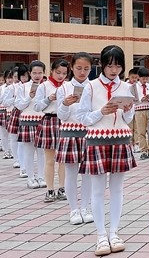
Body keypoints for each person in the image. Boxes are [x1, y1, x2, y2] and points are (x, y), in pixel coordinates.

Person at [77, 45, 137, 256]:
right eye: (110, 65)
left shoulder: (126, 88)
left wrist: (128, 111)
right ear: (102, 65)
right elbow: (82, 118)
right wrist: (100, 112)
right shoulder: (91, 87)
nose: (114, 70)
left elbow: (128, 119)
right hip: (97, 140)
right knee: (97, 189)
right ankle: (101, 235)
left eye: (118, 65)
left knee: (118, 189)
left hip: (120, 139)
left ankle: (114, 232)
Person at [57, 52, 94, 225]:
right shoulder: (63, 88)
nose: (82, 72)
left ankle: (85, 207)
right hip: (70, 133)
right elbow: (61, 116)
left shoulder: (93, 87)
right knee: (71, 173)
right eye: (78, 68)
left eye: (86, 68)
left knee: (87, 173)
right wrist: (65, 104)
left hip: (88, 133)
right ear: (72, 67)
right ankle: (73, 209)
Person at [34, 58, 69, 202]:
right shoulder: (44, 86)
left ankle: (62, 188)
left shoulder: (67, 86)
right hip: (49, 120)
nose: (61, 76)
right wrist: (48, 99)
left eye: (64, 73)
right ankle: (49, 189)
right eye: (58, 72)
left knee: (63, 159)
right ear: (51, 71)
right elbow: (36, 107)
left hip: (64, 122)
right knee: (50, 159)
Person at [16, 60, 47, 189]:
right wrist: (29, 97)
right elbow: (19, 105)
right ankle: (30, 177)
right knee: (29, 151)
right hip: (27, 121)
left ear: (43, 73)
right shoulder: (22, 87)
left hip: (42, 121)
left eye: (40, 73)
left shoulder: (46, 86)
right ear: (30, 73)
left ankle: (41, 177)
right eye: (34, 73)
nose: (37, 75)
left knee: (42, 152)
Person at [6, 65, 29, 175]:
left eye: (26, 75)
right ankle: (19, 162)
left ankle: (24, 164)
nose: (25, 78)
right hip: (18, 112)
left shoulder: (33, 86)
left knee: (25, 142)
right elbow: (5, 101)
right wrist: (15, 99)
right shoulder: (13, 87)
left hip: (30, 113)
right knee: (16, 139)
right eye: (22, 76)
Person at [134, 67, 149, 160]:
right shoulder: (134, 87)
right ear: (138, 77)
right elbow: (133, 99)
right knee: (141, 131)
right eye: (143, 78)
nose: (145, 80)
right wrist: (140, 99)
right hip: (139, 110)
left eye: (146, 78)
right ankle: (143, 150)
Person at [0, 70, 12, 159]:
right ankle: (6, 151)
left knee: (12, 133)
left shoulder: (17, 87)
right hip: (2, 111)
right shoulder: (2, 88)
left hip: (11, 111)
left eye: (11, 77)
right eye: (8, 78)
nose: (10, 80)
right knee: (4, 133)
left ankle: (12, 151)